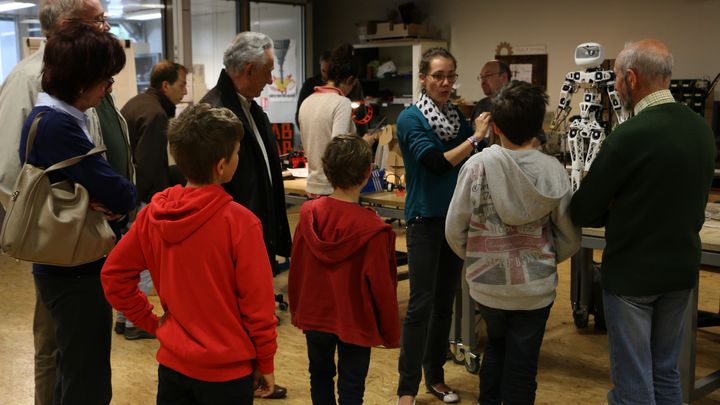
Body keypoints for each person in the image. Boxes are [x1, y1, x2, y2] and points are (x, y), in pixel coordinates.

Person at [570, 39, 716, 404]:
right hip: (680, 272)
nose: (615, 86)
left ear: (631, 78)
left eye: (617, 78)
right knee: (666, 373)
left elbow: (583, 210)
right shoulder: (700, 129)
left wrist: (614, 205)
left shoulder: (629, 136)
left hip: (633, 277)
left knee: (633, 383)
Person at [101, 103, 278, 405]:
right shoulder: (241, 223)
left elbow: (113, 276)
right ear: (222, 166)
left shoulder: (152, 216)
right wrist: (266, 362)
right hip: (227, 373)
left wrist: (154, 323)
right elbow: (258, 307)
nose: (239, 157)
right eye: (237, 152)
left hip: (173, 367)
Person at [0, 2, 132, 401]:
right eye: (97, 22)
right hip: (66, 252)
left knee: (73, 356)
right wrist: (60, 212)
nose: (105, 28)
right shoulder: (39, 92)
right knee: (67, 358)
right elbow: (14, 176)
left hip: (84, 244)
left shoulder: (74, 94)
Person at [445, 80, 581, 404]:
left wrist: (476, 256)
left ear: (495, 126)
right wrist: (544, 258)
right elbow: (570, 236)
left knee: (495, 348)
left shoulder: (476, 166)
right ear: (539, 126)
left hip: (487, 286)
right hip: (535, 290)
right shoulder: (554, 170)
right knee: (522, 368)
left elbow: (454, 229)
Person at [199, 31, 290, 399]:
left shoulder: (249, 106)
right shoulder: (215, 110)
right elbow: (208, 182)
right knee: (239, 314)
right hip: (230, 235)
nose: (272, 78)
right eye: (268, 70)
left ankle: (254, 376)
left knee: (255, 311)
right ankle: (241, 381)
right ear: (249, 68)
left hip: (254, 228)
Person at [395, 47, 489, 405]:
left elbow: (473, 158)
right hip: (425, 221)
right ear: (423, 78)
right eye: (438, 76)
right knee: (420, 305)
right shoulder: (411, 119)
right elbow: (437, 162)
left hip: (455, 221)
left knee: (443, 305)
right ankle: (406, 388)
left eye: (451, 75)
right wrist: (475, 139)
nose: (446, 83)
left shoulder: (455, 117)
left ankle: (434, 376)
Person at [289, 134, 401, 404]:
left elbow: (298, 269)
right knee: (352, 389)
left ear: (327, 169)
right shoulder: (374, 230)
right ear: (367, 172)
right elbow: (383, 289)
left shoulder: (308, 214)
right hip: (355, 320)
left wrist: (298, 310)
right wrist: (391, 331)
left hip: (315, 315)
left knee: (319, 376)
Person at [115, 60, 188, 340]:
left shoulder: (138, 103)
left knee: (131, 263)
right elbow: (147, 166)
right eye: (182, 84)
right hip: (142, 199)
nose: (185, 90)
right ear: (166, 85)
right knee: (145, 265)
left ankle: (123, 319)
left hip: (128, 195)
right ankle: (135, 324)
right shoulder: (156, 114)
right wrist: (144, 205)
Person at [298, 44, 375, 198]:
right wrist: (365, 143)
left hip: (312, 186)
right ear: (350, 79)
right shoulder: (341, 103)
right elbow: (340, 152)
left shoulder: (308, 101)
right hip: (334, 190)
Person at [295, 50, 330, 124]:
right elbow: (300, 112)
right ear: (320, 63)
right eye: (324, 71)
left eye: (329, 71)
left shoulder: (339, 84)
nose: (326, 75)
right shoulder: (310, 84)